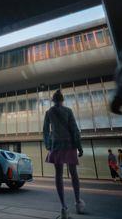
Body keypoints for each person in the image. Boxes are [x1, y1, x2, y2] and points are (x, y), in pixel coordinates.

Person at [43, 89, 85, 219]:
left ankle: (64, 208)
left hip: (56, 145)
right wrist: (79, 146)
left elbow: (45, 131)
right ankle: (78, 202)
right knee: (74, 174)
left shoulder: (49, 112)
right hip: (69, 144)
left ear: (53, 100)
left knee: (58, 175)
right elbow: (74, 129)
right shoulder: (68, 111)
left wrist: (48, 145)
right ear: (62, 99)